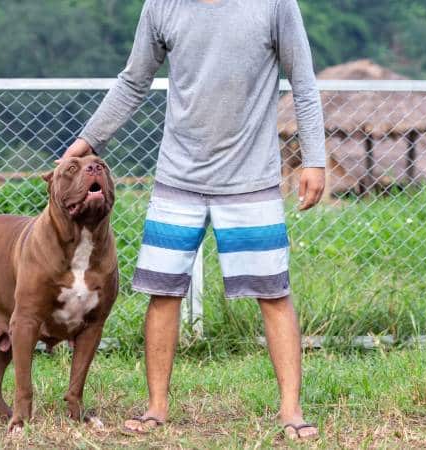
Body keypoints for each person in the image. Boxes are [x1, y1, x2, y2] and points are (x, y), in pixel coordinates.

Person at [59, 0, 325, 441]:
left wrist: (313, 158)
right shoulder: (161, 6)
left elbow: (303, 82)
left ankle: (292, 411)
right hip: (177, 177)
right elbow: (132, 83)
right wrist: (86, 141)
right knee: (163, 292)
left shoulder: (275, 4)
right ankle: (156, 409)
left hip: (252, 179)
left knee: (274, 292)